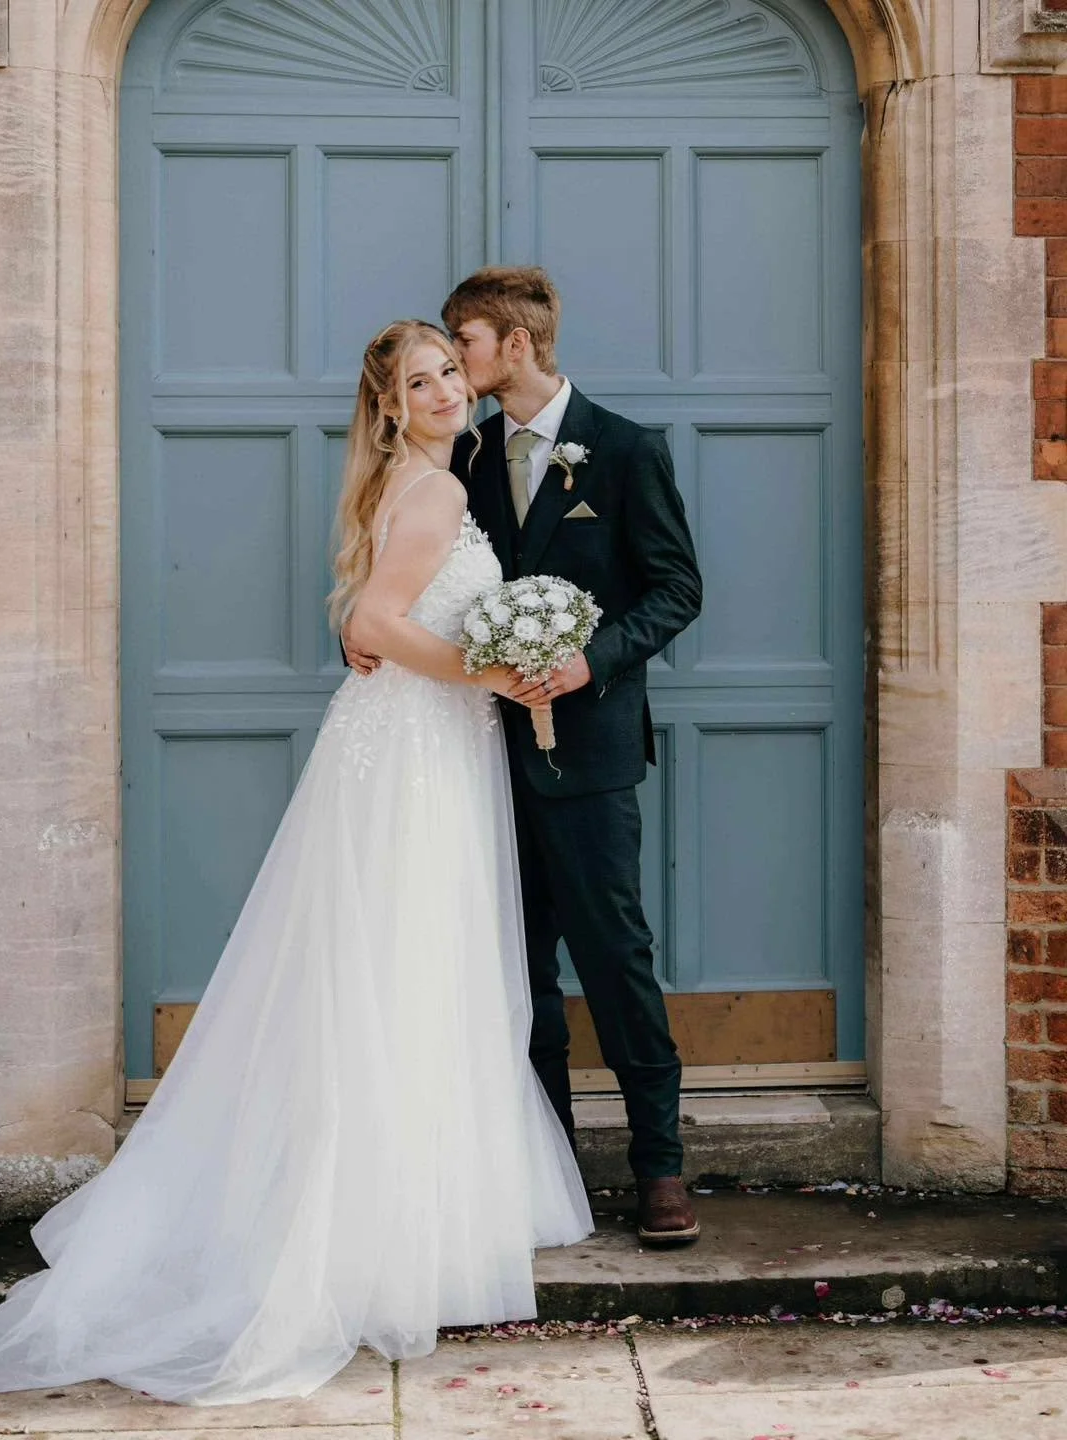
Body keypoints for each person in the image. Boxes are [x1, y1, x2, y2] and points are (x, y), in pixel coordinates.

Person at [0, 320, 592, 1407]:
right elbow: (380, 621)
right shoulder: (436, 490)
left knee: (396, 965)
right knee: (407, 963)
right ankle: (385, 1223)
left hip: (419, 744)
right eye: (420, 382)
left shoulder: (423, 479)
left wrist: (471, 665)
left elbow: (372, 620)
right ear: (390, 406)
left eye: (449, 371)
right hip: (416, 756)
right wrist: (493, 672)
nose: (445, 390)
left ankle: (418, 1203)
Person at [444, 267, 704, 1242]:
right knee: (518, 971)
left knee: (615, 959)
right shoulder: (465, 456)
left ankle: (660, 1166)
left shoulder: (626, 450)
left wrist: (588, 661)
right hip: (478, 753)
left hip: (590, 757)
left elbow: (677, 589)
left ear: (515, 344)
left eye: (465, 341)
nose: (454, 361)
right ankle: (544, 1168)